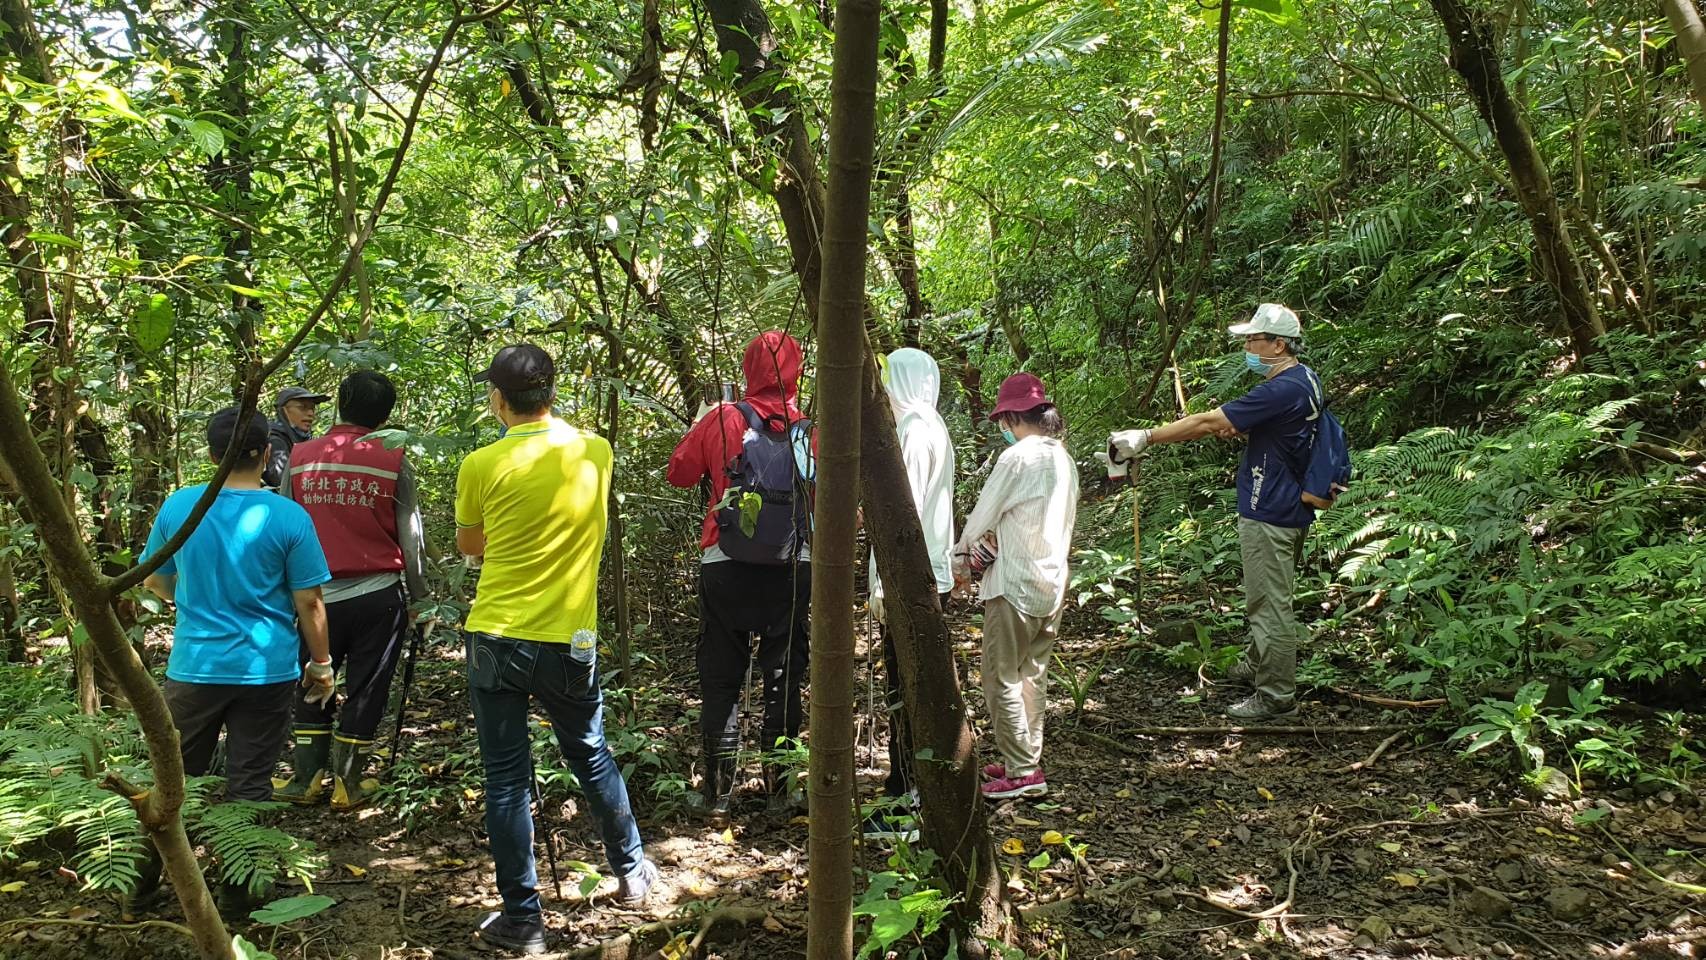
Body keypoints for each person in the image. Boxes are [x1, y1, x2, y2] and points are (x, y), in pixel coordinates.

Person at [456, 344, 657, 954]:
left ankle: (524, 919)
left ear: (498, 398)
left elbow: (472, 544)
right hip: (570, 640)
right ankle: (632, 871)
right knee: (591, 752)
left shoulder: (480, 464)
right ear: (552, 390)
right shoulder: (595, 450)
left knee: (505, 781)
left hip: (495, 634)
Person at [138, 407, 333, 908]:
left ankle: (138, 886)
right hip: (266, 669)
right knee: (250, 780)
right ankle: (241, 890)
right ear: (267, 454)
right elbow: (308, 601)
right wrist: (322, 665)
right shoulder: (287, 515)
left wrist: (195, 594)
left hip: (194, 667)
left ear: (209, 454)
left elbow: (155, 580)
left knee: (174, 779)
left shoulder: (181, 507)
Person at [1108, 303, 1327, 721]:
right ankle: (1257, 663)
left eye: (1253, 340)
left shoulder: (1280, 389)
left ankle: (1276, 694)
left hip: (1271, 510)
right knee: (1270, 596)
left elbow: (1208, 422)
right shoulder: (1304, 380)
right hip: (1289, 501)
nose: (1247, 346)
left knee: (1269, 604)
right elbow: (1280, 427)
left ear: (1278, 344)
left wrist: (1147, 437)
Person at [666, 331, 814, 818]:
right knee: (782, 673)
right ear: (795, 371)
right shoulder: (812, 427)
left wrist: (701, 422)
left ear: (748, 368)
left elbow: (680, 474)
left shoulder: (724, 417)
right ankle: (780, 790)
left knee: (722, 676)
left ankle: (718, 795)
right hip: (794, 564)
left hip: (725, 563)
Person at [274, 371, 429, 810]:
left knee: (311, 676)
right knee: (368, 684)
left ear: (341, 403)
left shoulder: (301, 456)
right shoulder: (393, 458)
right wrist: (420, 597)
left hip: (312, 598)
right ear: (385, 415)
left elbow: (285, 525)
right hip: (377, 595)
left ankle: (307, 776)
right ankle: (349, 781)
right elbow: (410, 535)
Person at [954, 373, 1078, 801]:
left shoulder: (1017, 458)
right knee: (1033, 675)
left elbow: (982, 517)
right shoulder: (1062, 458)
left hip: (1014, 583)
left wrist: (959, 559)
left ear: (1010, 417)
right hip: (1052, 581)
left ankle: (1023, 771)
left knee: (1000, 677)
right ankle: (1024, 756)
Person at [863, 348, 955, 842]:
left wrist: (884, 583)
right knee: (911, 684)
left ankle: (906, 798)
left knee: (909, 689)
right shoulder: (929, 424)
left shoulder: (916, 430)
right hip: (924, 576)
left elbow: (907, 510)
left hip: (910, 579)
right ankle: (909, 788)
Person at [263, 385, 331, 490]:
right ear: (283, 410)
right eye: (302, 407)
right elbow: (282, 483)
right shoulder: (275, 440)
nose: (311, 413)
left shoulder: (303, 439)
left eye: (312, 408)